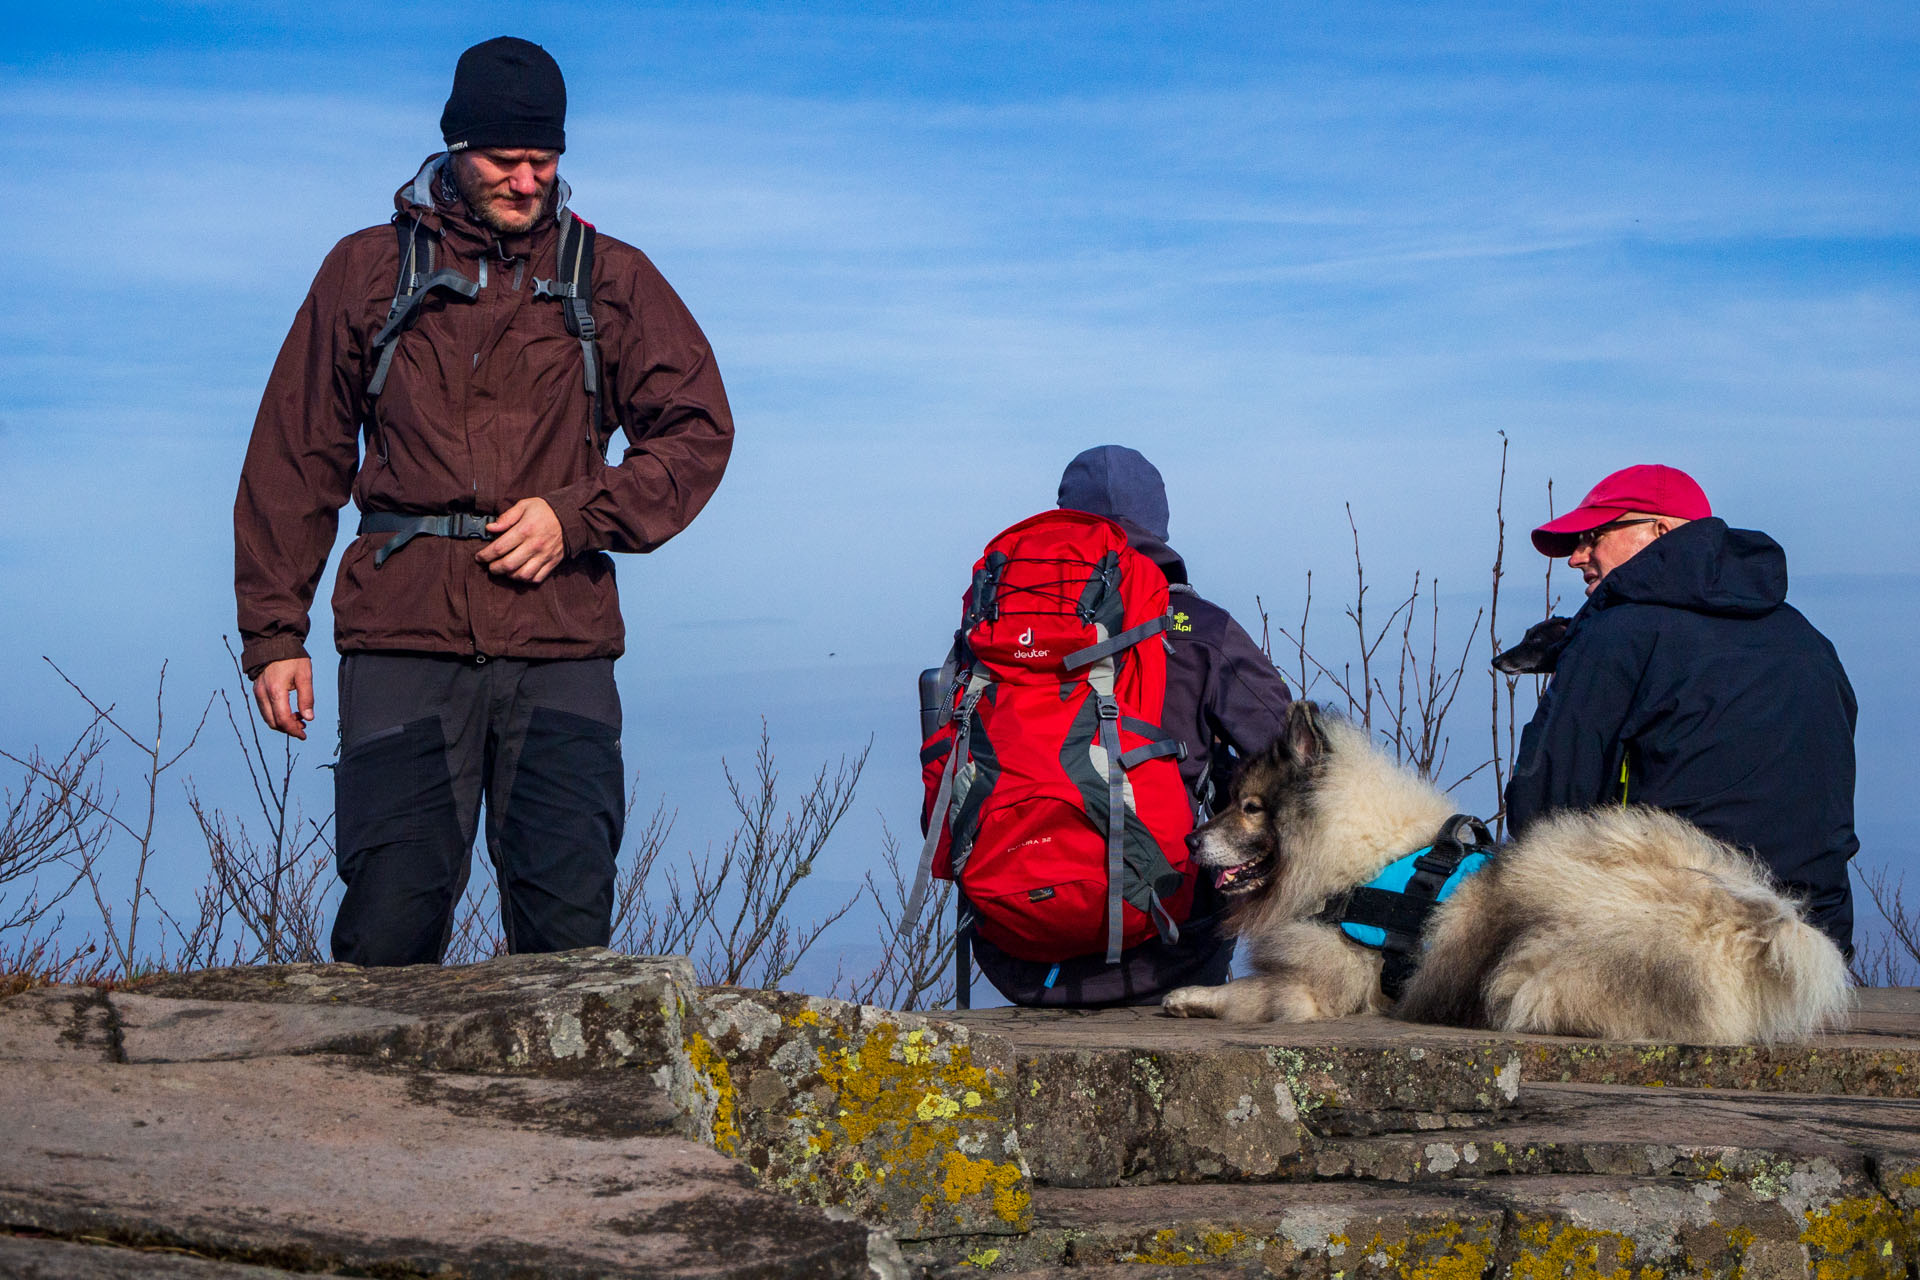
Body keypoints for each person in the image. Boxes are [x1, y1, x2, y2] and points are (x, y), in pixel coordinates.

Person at [234, 37, 734, 965]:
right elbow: (296, 453)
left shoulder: (609, 277)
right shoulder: (366, 272)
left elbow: (698, 429)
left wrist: (577, 516)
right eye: (506, 159)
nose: (526, 178)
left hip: (561, 642)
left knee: (572, 939)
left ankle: (569, 1118)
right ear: (456, 151)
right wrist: (275, 634)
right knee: (391, 923)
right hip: (402, 638)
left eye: (544, 160)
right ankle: (376, 1114)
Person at [967, 445, 1295, 1005]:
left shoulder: (991, 628)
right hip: (1165, 953)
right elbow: (1299, 762)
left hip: (1013, 947)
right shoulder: (1198, 627)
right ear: (1157, 524)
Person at [1505, 464, 1858, 954]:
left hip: (1675, 949)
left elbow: (1542, 815)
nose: (1576, 557)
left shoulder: (1616, 635)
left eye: (1593, 535)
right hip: (1811, 956)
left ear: (1662, 531)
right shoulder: (1808, 642)